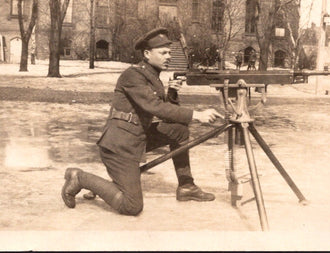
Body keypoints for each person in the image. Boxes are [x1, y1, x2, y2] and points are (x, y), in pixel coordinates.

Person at [61, 27, 223, 216]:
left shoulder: (152, 77)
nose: (169, 56)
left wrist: (172, 92)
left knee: (179, 130)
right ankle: (79, 178)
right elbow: (155, 107)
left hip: (136, 137)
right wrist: (196, 114)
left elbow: (165, 112)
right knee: (131, 206)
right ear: (147, 54)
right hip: (119, 147)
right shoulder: (133, 75)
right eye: (163, 52)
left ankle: (186, 186)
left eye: (169, 52)